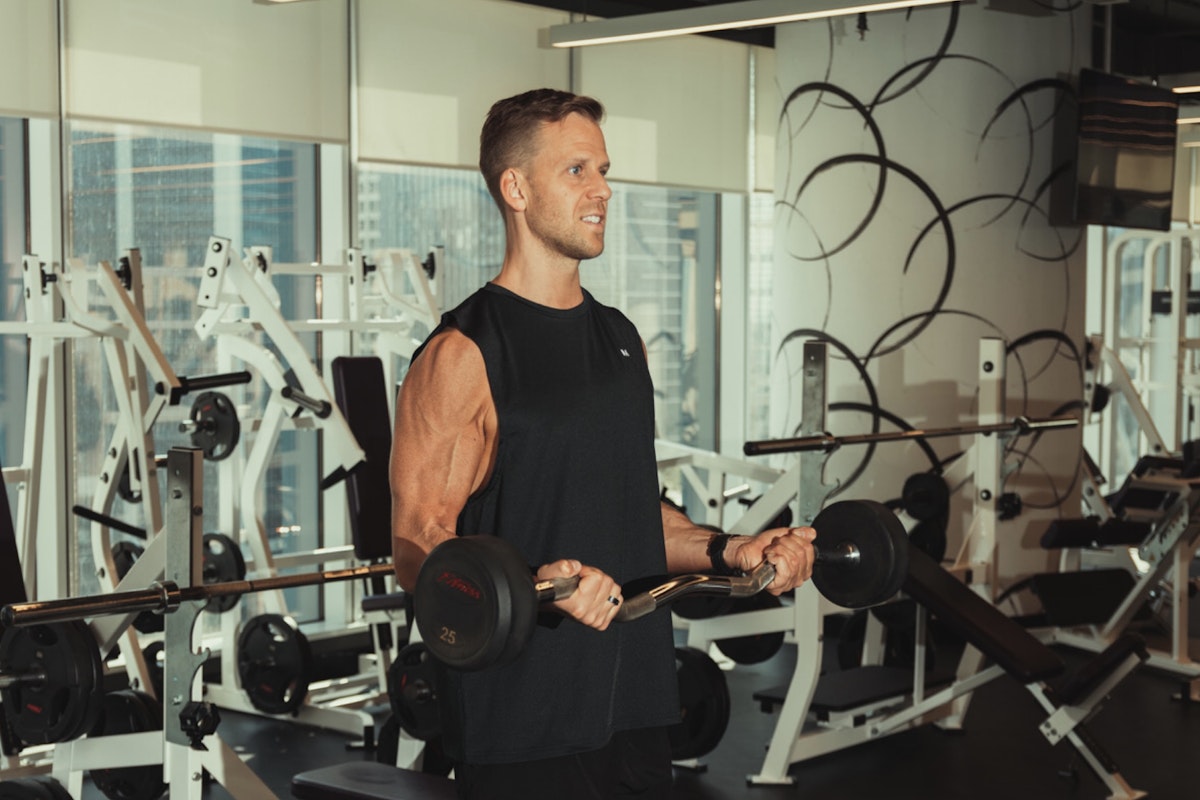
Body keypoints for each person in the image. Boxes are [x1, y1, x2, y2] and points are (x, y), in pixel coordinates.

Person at [389, 87, 817, 799]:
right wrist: (540, 588)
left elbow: (630, 512)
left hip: (637, 701)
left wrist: (731, 549)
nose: (604, 190)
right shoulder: (463, 354)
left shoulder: (619, 339)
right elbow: (416, 548)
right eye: (577, 170)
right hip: (525, 717)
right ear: (516, 188)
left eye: (604, 169)